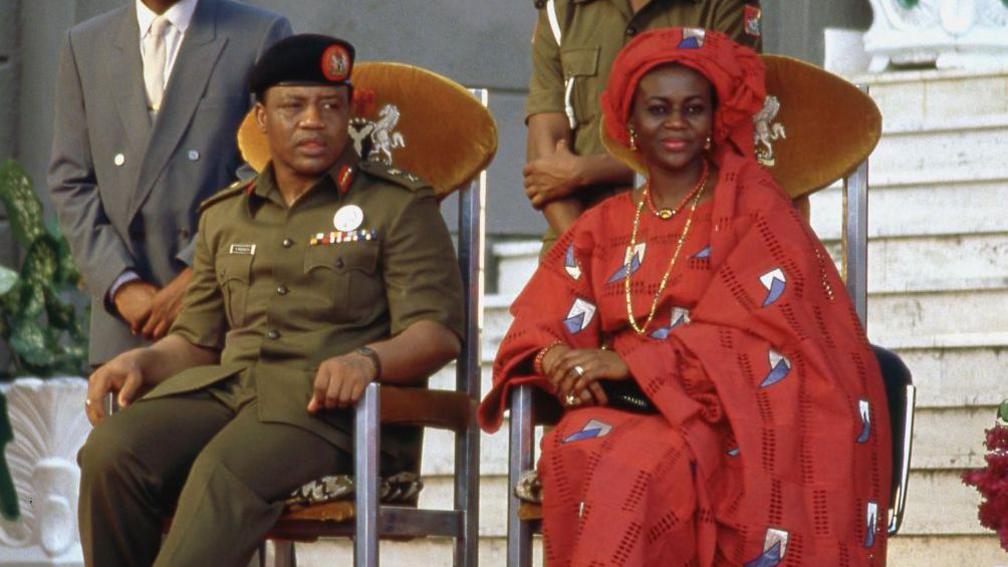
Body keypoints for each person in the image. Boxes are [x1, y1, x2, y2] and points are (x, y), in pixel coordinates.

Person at [480, 28, 892, 565]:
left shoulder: (755, 211)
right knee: (569, 446)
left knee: (643, 468)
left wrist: (632, 364)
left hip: (726, 414)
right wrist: (554, 356)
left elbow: (769, 334)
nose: (675, 123)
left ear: (714, 121)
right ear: (630, 123)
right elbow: (539, 318)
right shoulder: (602, 225)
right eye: (658, 109)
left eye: (692, 109)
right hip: (621, 410)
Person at [76, 34, 465, 567]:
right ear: (260, 117)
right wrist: (139, 359)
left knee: (223, 470)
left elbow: (437, 333)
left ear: (349, 112)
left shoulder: (398, 205)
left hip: (328, 414)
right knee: (111, 454)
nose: (313, 121)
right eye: (293, 106)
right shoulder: (225, 215)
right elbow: (195, 341)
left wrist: (367, 361)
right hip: (229, 394)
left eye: (330, 106)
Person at [47, 0, 291, 366]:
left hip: (222, 317)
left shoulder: (258, 34)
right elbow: (71, 180)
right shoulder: (85, 44)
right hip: (128, 326)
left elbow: (268, 169)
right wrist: (120, 284)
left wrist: (198, 275)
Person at [523, 0, 763, 252]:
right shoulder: (561, 7)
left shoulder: (725, 5)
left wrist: (585, 172)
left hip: (687, 243)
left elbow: (728, 142)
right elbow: (545, 166)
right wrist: (587, 252)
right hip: (577, 243)